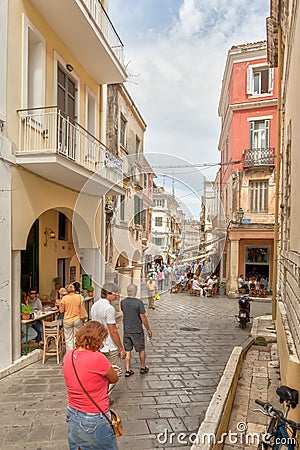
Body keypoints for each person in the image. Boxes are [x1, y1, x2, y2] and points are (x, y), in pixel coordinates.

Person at [62, 321, 119, 450]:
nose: (102, 344)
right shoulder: (98, 358)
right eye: (102, 341)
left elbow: (84, 374)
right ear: (97, 340)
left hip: (72, 414)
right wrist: (110, 370)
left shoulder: (68, 355)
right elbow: (114, 378)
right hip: (94, 417)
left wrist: (105, 369)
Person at [91, 283, 126, 383]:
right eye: (115, 293)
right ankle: (106, 395)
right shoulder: (109, 308)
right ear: (109, 294)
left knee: (101, 372)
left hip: (98, 343)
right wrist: (121, 348)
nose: (116, 295)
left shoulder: (94, 305)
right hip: (109, 345)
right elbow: (113, 331)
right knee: (115, 373)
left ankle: (103, 394)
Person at [121, 284, 152, 377]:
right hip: (137, 330)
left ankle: (127, 369)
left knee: (128, 350)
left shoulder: (123, 302)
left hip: (127, 329)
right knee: (141, 349)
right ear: (135, 291)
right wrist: (148, 329)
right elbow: (143, 317)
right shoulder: (139, 303)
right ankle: (142, 367)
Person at [59, 284, 84, 352]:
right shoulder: (80, 297)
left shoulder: (65, 298)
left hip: (67, 320)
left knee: (68, 339)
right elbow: (82, 308)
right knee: (77, 337)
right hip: (77, 319)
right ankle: (77, 352)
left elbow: (61, 310)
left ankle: (70, 355)